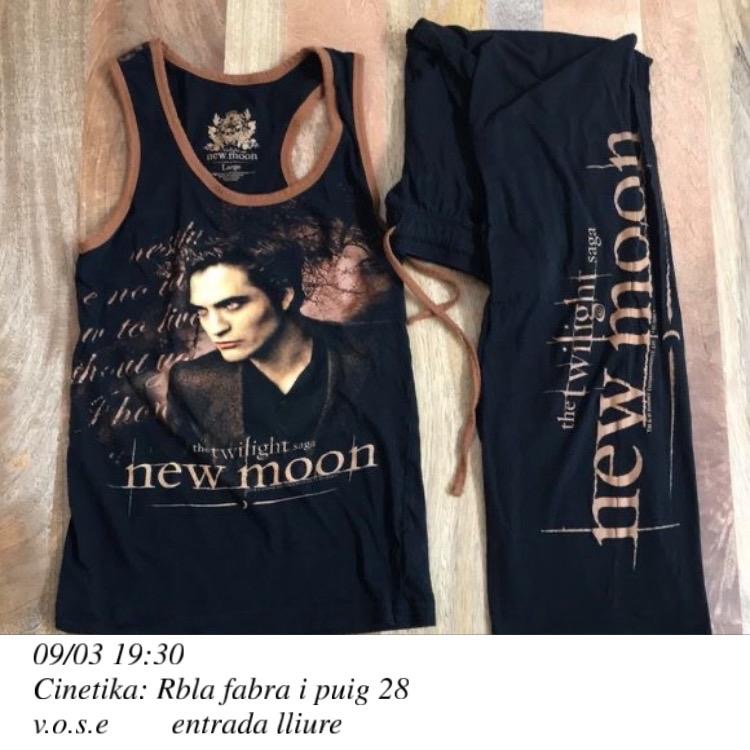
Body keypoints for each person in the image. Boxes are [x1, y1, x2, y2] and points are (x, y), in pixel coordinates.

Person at [166, 235, 371, 449]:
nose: (216, 328)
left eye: (232, 305)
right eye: (202, 311)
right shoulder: (191, 382)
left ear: (284, 296)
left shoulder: (366, 355)